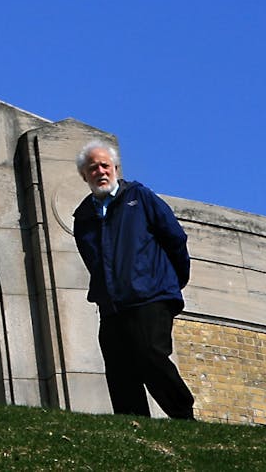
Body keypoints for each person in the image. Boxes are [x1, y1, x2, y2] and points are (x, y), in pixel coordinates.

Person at [72, 140, 195, 419]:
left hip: (150, 296)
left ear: (115, 168)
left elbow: (175, 239)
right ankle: (133, 425)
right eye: (93, 168)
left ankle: (183, 414)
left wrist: (170, 281)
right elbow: (93, 261)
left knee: (150, 355)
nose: (100, 172)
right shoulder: (84, 216)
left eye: (105, 165)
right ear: (84, 176)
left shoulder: (140, 197)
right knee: (119, 369)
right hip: (112, 305)